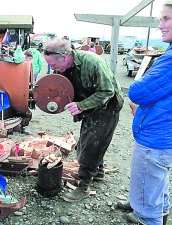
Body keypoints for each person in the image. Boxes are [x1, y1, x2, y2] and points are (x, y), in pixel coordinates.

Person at [43, 39, 124, 202]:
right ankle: (98, 172)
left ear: (64, 56)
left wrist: (81, 106)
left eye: (53, 64)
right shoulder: (63, 68)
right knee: (91, 140)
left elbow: (107, 91)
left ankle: (83, 187)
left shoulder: (92, 62)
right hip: (89, 107)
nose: (52, 69)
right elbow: (60, 88)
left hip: (107, 107)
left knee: (90, 147)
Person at [127, 1, 172, 224]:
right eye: (160, 19)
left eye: (166, 19)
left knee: (146, 199)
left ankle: (151, 219)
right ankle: (161, 216)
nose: (160, 25)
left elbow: (138, 91)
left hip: (156, 137)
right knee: (158, 186)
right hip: (166, 136)